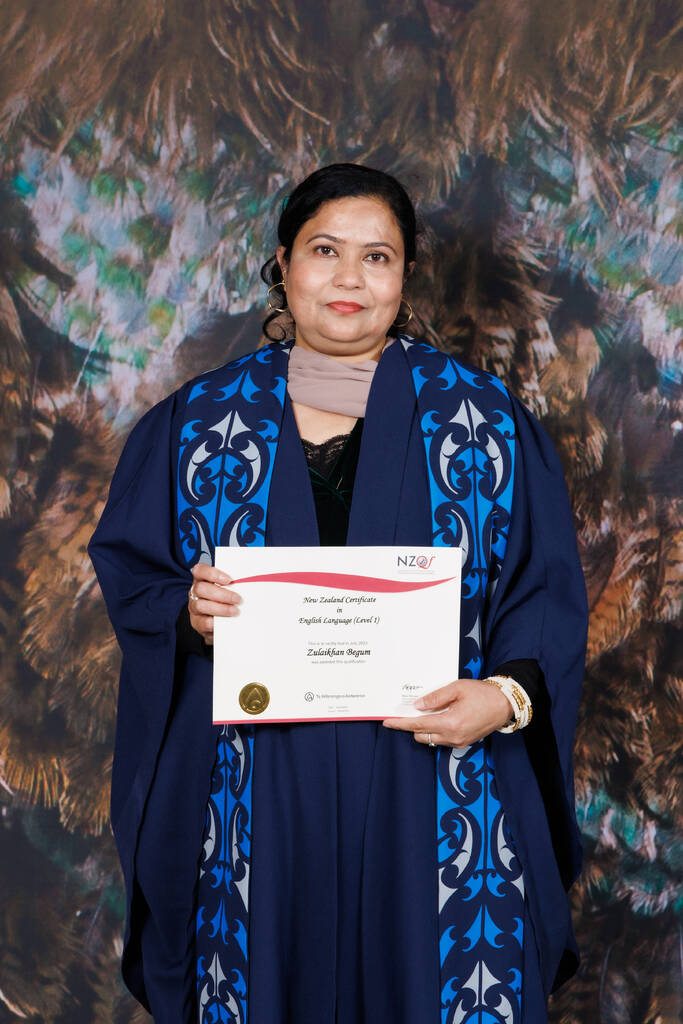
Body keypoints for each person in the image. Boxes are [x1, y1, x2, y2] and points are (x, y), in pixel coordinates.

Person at [88, 162, 588, 1024]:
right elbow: (136, 573)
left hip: (437, 789)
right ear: (283, 264)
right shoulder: (197, 427)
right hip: (255, 794)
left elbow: (543, 597)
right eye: (325, 251)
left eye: (378, 257)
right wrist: (186, 610)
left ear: (404, 276)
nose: (350, 278)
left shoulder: (485, 422)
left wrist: (501, 700)